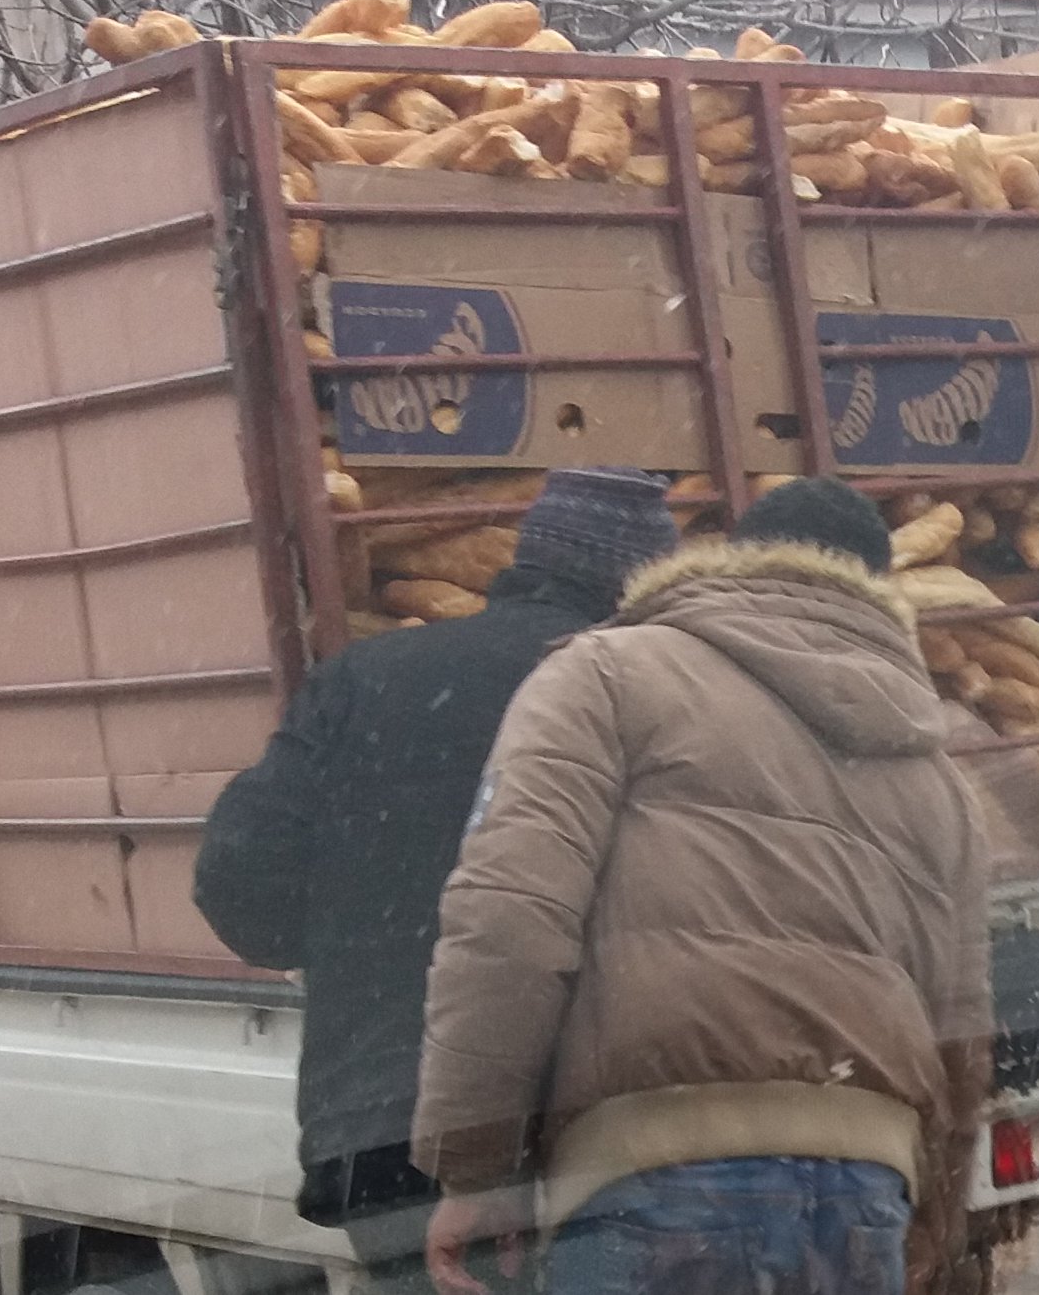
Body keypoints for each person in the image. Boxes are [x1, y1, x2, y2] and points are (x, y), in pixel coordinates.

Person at [411, 475, 992, 1295]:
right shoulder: (936, 773)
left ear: (733, 561)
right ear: (877, 593)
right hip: (862, 1187)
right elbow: (960, 1036)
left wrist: (474, 1171)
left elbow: (506, 923)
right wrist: (936, 1219)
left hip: (651, 1174)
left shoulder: (605, 677)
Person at [193, 467, 679, 1284]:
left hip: (389, 1122)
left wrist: (351, 945)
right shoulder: (663, 694)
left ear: (527, 560)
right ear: (646, 582)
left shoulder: (372, 678)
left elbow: (237, 876)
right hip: (608, 1125)